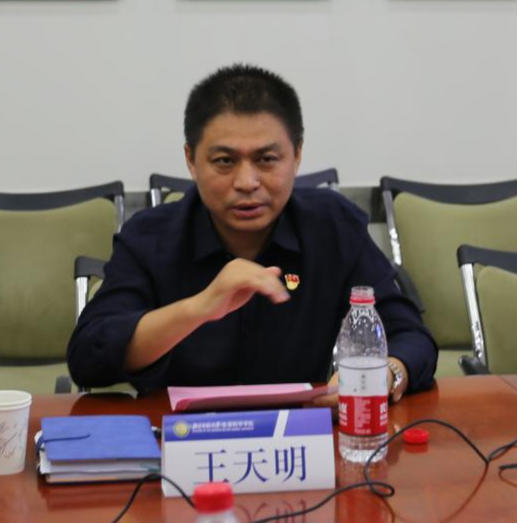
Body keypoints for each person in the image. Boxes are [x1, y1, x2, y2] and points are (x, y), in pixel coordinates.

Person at [68, 65, 438, 404]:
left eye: (266, 159)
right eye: (224, 161)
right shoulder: (150, 237)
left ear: (297, 155)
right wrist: (199, 308)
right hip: (180, 439)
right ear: (191, 160)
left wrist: (383, 375)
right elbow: (88, 357)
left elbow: (410, 336)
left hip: (300, 438)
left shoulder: (333, 227)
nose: (247, 182)